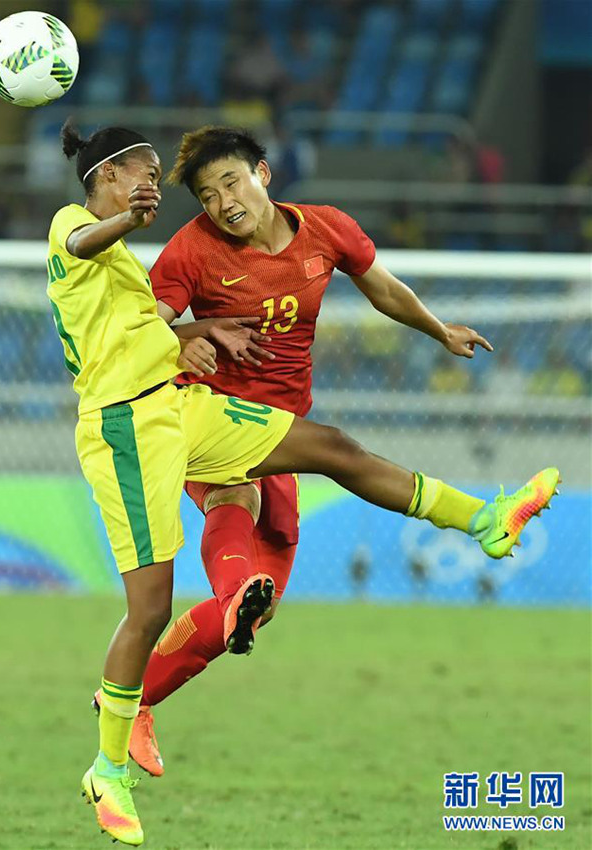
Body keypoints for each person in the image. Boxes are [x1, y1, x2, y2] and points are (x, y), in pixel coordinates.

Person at [49, 120, 558, 846]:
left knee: (332, 449)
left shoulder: (312, 230)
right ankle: (108, 764)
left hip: (183, 406)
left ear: (262, 173)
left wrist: (198, 333)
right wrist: (173, 292)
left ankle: (485, 518)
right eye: (145, 174)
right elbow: (82, 250)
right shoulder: (84, 230)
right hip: (127, 430)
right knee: (155, 602)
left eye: (166, 175)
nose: (160, 188)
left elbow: (147, 330)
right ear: (103, 177)